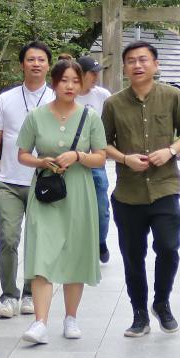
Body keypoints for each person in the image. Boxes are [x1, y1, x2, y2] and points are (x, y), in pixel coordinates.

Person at [102, 41, 180, 336]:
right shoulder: (113, 103)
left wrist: (170, 151)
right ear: (124, 67)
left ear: (155, 65)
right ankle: (139, 313)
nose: (138, 65)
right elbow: (102, 143)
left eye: (143, 60)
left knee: (168, 248)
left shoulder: (173, 96)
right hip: (128, 193)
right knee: (133, 256)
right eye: (131, 61)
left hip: (165, 187)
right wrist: (124, 158)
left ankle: (162, 302)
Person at [14, 58, 108, 345]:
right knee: (42, 250)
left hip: (79, 190)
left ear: (82, 84)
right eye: (64, 80)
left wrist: (77, 156)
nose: (70, 85)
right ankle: (40, 322)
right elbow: (22, 154)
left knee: (75, 251)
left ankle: (71, 317)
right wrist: (42, 160)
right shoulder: (36, 116)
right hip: (45, 192)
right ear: (54, 83)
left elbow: (100, 156)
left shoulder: (90, 116)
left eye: (75, 80)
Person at [0, 42, 53, 317]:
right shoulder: (6, 99)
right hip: (9, 180)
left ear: (48, 64)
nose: (36, 64)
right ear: (21, 64)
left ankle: (29, 293)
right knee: (9, 239)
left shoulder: (56, 99)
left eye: (41, 59)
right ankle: (8, 295)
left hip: (43, 181)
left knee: (37, 240)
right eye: (30, 59)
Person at [76, 54, 113, 264]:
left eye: (97, 73)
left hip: (96, 159)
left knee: (100, 206)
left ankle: (100, 240)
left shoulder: (103, 95)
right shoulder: (67, 94)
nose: (96, 77)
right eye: (92, 73)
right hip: (70, 159)